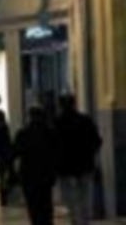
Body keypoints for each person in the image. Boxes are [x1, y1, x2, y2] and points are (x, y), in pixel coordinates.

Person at [55, 95, 102, 225]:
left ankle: (75, 220)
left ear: (60, 106)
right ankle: (84, 221)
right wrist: (90, 154)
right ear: (74, 104)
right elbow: (97, 141)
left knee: (70, 197)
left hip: (66, 168)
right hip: (85, 165)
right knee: (85, 196)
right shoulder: (86, 120)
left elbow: (53, 146)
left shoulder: (57, 123)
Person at [13, 107, 58, 225]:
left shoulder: (22, 133)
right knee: (46, 202)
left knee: (33, 204)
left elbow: (14, 152)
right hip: (46, 175)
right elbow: (57, 151)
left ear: (29, 117)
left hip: (28, 175)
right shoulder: (50, 132)